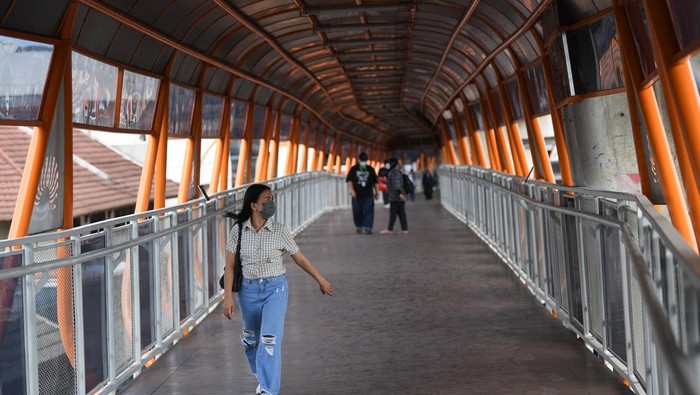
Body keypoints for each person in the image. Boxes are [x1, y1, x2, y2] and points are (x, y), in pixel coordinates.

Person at [222, 184, 333, 395]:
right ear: (254, 205)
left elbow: (298, 257)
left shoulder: (280, 230)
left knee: (269, 340)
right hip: (248, 291)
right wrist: (228, 297)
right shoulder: (238, 231)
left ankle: (267, 389)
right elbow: (230, 267)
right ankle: (261, 374)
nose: (271, 203)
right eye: (266, 199)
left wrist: (320, 280)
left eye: (272, 198)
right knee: (251, 340)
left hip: (276, 289)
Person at [346, 152, 378, 234]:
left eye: (365, 160)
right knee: (357, 211)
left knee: (368, 211)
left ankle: (368, 227)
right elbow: (349, 180)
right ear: (359, 159)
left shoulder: (370, 169)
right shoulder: (354, 169)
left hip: (368, 194)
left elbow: (375, 181)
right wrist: (352, 190)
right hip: (356, 194)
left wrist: (376, 192)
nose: (364, 161)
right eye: (362, 160)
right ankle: (359, 226)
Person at [380, 158, 409, 234]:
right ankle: (404, 229)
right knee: (401, 213)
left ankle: (390, 229)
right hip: (398, 195)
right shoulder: (398, 172)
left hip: (395, 196)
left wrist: (400, 194)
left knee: (393, 213)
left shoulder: (394, 172)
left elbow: (397, 185)